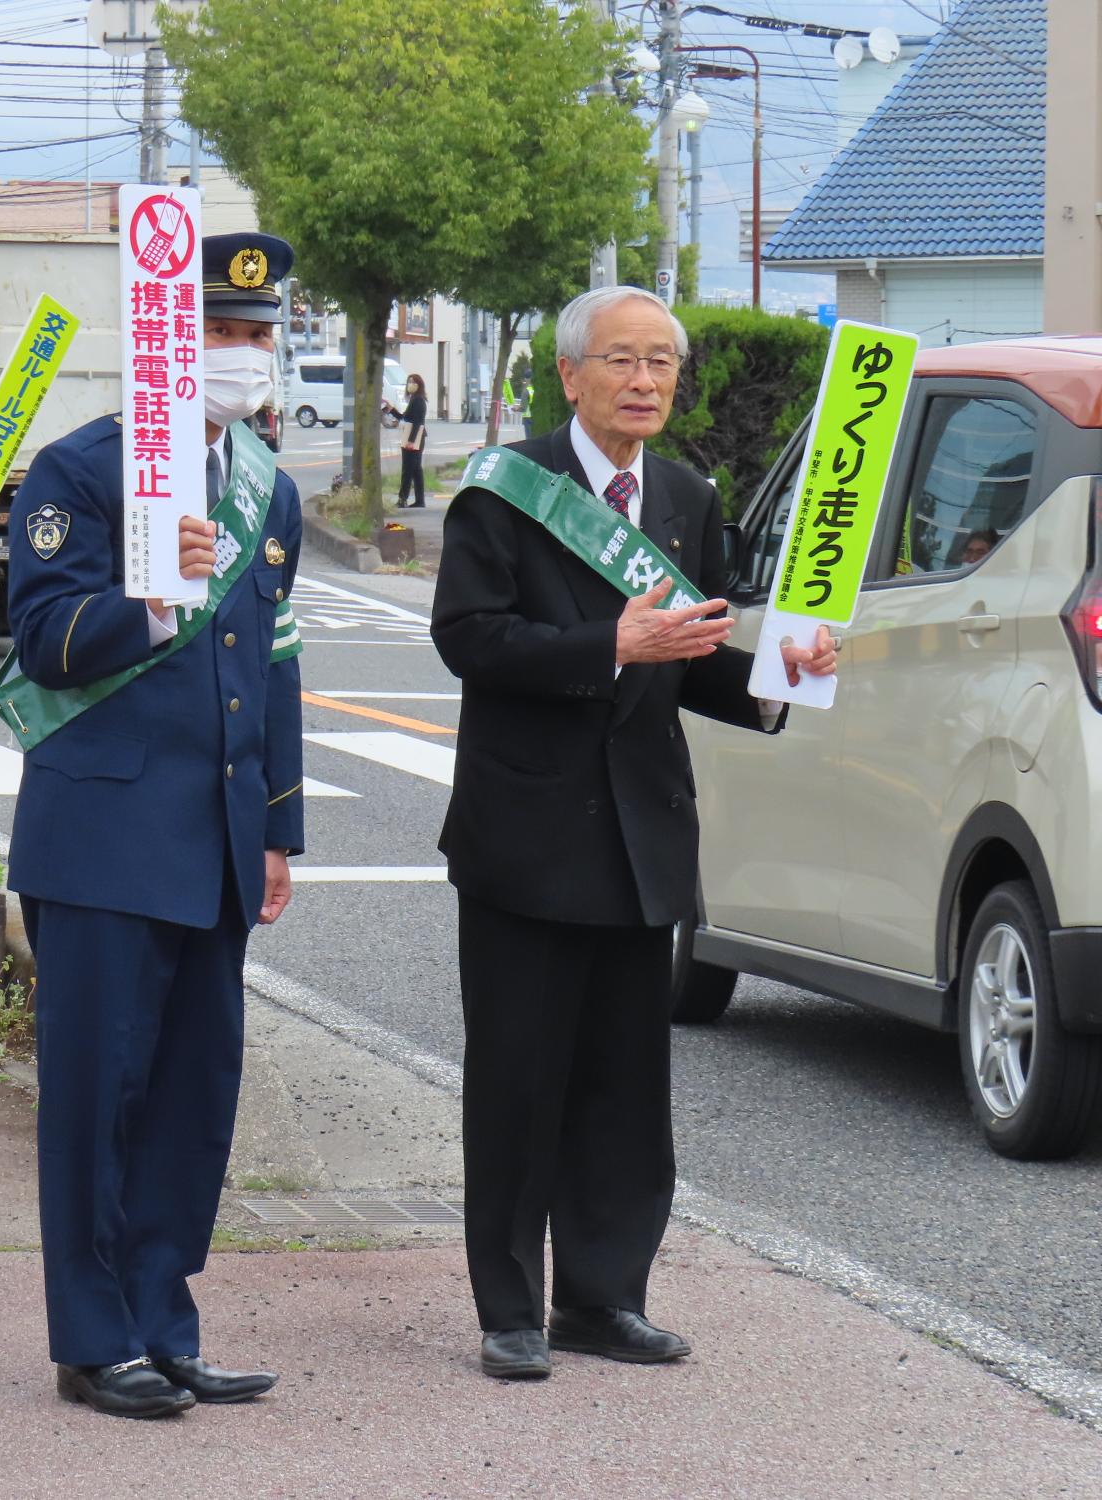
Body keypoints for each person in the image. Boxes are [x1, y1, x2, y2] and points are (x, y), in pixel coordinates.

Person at [430, 284, 839, 1382]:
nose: (644, 380)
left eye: (661, 362)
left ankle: (603, 1299)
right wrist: (607, 645)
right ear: (569, 375)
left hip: (640, 832)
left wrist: (776, 678)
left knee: (624, 1086)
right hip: (525, 833)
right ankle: (510, 1310)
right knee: (518, 1083)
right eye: (621, 360)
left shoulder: (685, 496)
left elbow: (689, 652)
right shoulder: (505, 491)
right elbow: (467, 639)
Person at [4, 233, 306, 1420]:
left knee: (192, 1096)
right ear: (164, 344)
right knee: (97, 1095)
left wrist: (277, 827)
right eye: (216, 332)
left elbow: (273, 665)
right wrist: (146, 598)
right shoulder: (81, 469)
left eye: (254, 333)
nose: (239, 353)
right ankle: (91, 1340)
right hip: (103, 832)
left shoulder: (265, 490)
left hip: (215, 838)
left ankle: (161, 1324)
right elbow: (44, 640)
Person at [394, 373, 428, 508]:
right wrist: (391, 410)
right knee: (415, 470)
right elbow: (405, 417)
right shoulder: (415, 399)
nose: (411, 385)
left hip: (415, 438)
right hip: (416, 438)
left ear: (419, 385)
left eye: (414, 382)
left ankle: (403, 499)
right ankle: (420, 500)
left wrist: (411, 440)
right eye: (409, 382)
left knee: (408, 469)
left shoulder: (418, 400)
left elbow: (418, 422)